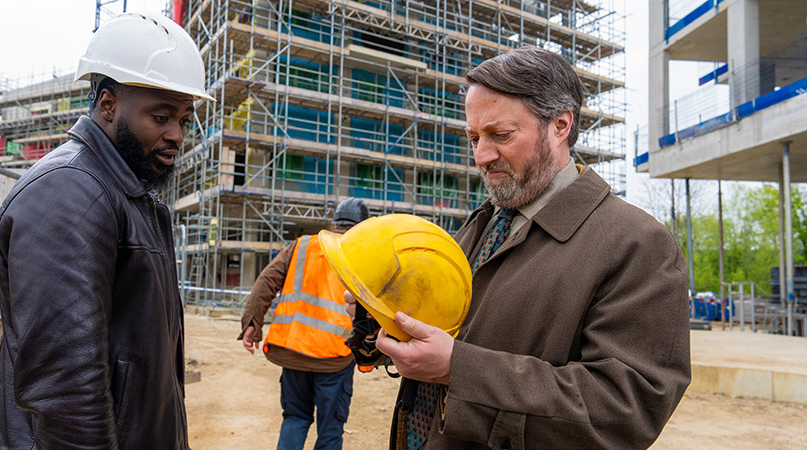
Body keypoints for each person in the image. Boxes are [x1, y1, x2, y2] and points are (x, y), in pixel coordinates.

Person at [347, 46, 691, 449]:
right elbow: (440, 334)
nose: (481, 156)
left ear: (561, 125)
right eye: (473, 137)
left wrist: (459, 368)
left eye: (501, 135)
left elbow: (627, 409)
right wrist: (380, 323)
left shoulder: (638, 244)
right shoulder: (480, 225)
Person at [0, 13, 214, 449]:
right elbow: (66, 390)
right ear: (108, 105)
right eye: (161, 117)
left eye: (184, 119)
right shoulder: (68, 191)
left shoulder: (123, 192)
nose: (177, 135)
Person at [240, 197, 370, 450]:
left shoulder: (303, 245)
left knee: (295, 418)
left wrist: (252, 322)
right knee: (330, 430)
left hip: (294, 350)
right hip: (336, 355)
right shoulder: (362, 252)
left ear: (335, 221)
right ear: (361, 225)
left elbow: (267, 280)